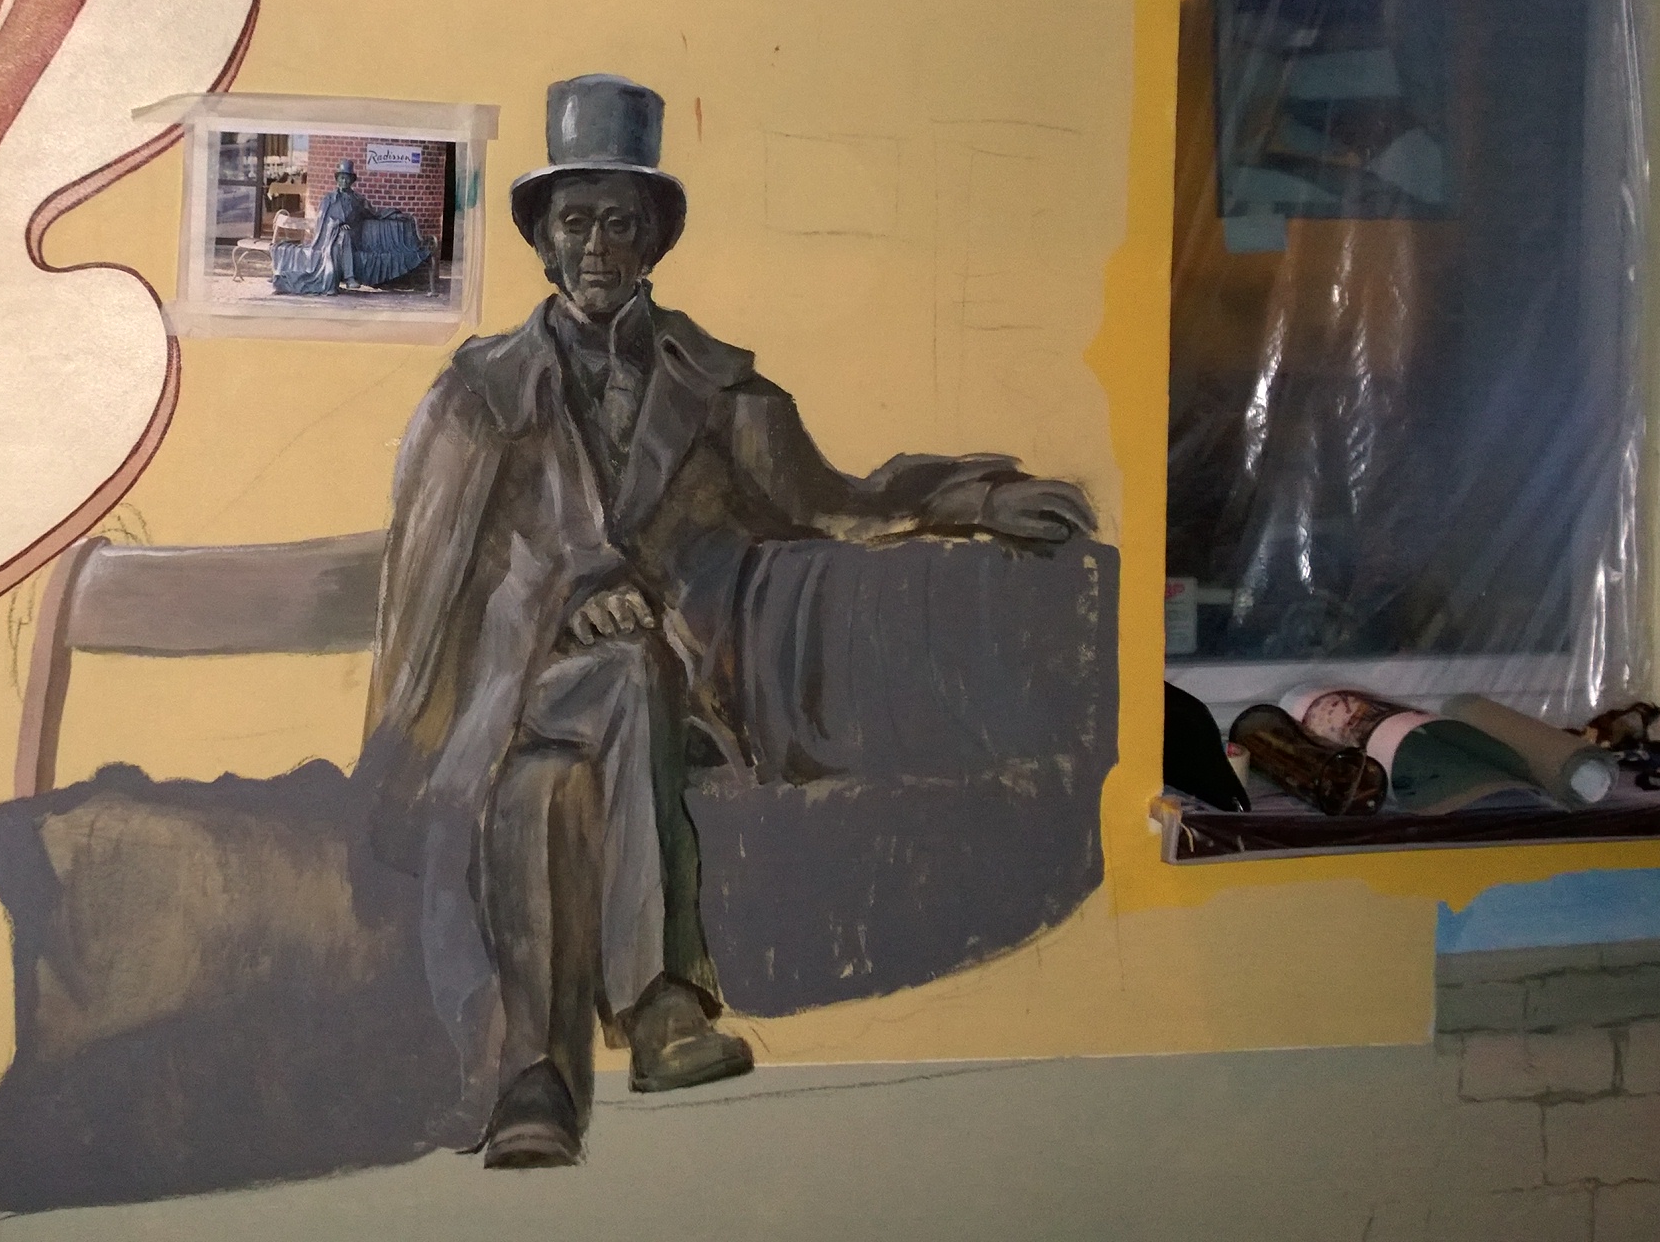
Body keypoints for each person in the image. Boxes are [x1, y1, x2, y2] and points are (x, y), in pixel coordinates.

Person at [360, 75, 1096, 1169]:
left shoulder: (714, 389)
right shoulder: (478, 396)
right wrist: (566, 597)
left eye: (622, 223)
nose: (598, 247)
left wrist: (974, 496)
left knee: (563, 766)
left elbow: (834, 502)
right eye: (576, 222)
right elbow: (436, 585)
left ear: (654, 240)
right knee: (590, 698)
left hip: (651, 713)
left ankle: (533, 1088)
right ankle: (659, 1003)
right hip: (501, 698)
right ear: (543, 242)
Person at [272, 159, 433, 295]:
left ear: (352, 181)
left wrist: (396, 215)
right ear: (337, 179)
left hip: (355, 239)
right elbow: (323, 221)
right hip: (330, 238)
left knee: (345, 236)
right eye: (341, 178)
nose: (344, 181)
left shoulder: (358, 200)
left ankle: (344, 279)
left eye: (347, 178)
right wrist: (337, 225)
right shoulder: (329, 199)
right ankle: (349, 278)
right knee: (341, 238)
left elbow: (374, 214)